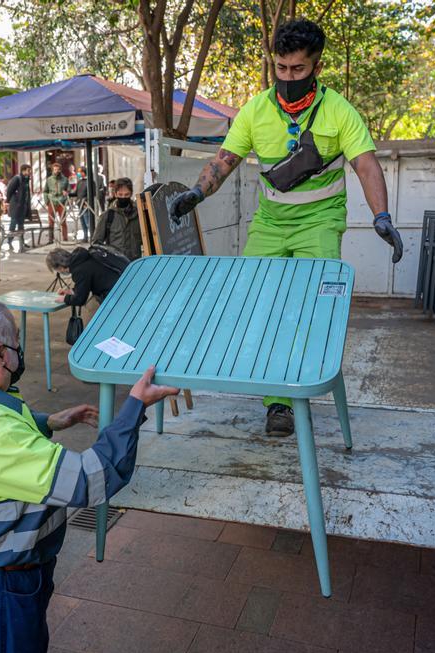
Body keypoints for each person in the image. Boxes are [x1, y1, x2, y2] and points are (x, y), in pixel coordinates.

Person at [169, 18, 403, 437]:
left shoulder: (338, 111)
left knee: (313, 310)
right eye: (281, 68)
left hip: (319, 221)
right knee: (259, 305)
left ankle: (300, 384)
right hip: (271, 222)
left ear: (316, 66)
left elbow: (366, 165)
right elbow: (225, 161)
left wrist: (381, 216)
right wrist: (196, 194)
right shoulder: (256, 110)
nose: (288, 77)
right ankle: (277, 401)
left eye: (297, 69)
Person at [0, 300, 177, 653]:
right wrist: (135, 406)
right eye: (16, 346)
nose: (18, 354)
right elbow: (94, 478)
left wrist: (50, 421)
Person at [46, 246, 125, 307]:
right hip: (121, 284)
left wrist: (64, 299)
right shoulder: (81, 258)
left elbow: (80, 300)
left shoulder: (79, 271)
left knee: (91, 308)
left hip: (116, 294)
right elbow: (86, 284)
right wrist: (72, 291)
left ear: (60, 267)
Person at [92, 177, 143, 260]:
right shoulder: (107, 216)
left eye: (126, 194)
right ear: (115, 194)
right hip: (115, 263)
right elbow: (96, 243)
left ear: (131, 194)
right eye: (120, 194)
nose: (123, 197)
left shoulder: (139, 214)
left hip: (135, 263)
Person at [4, 164, 32, 251]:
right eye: (28, 170)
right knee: (13, 224)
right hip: (16, 206)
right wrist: (8, 201)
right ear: (23, 170)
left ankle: (22, 243)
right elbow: (9, 190)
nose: (30, 172)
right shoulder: (17, 178)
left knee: (21, 226)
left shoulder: (26, 179)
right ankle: (9, 242)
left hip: (23, 206)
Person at [44, 162, 69, 241]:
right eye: (55, 169)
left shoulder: (65, 179)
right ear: (52, 170)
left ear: (60, 170)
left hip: (62, 202)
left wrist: (67, 192)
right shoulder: (49, 180)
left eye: (58, 169)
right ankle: (50, 239)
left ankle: (65, 238)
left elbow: (69, 190)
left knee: (63, 221)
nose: (56, 171)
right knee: (51, 222)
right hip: (51, 203)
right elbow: (45, 191)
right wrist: (46, 201)